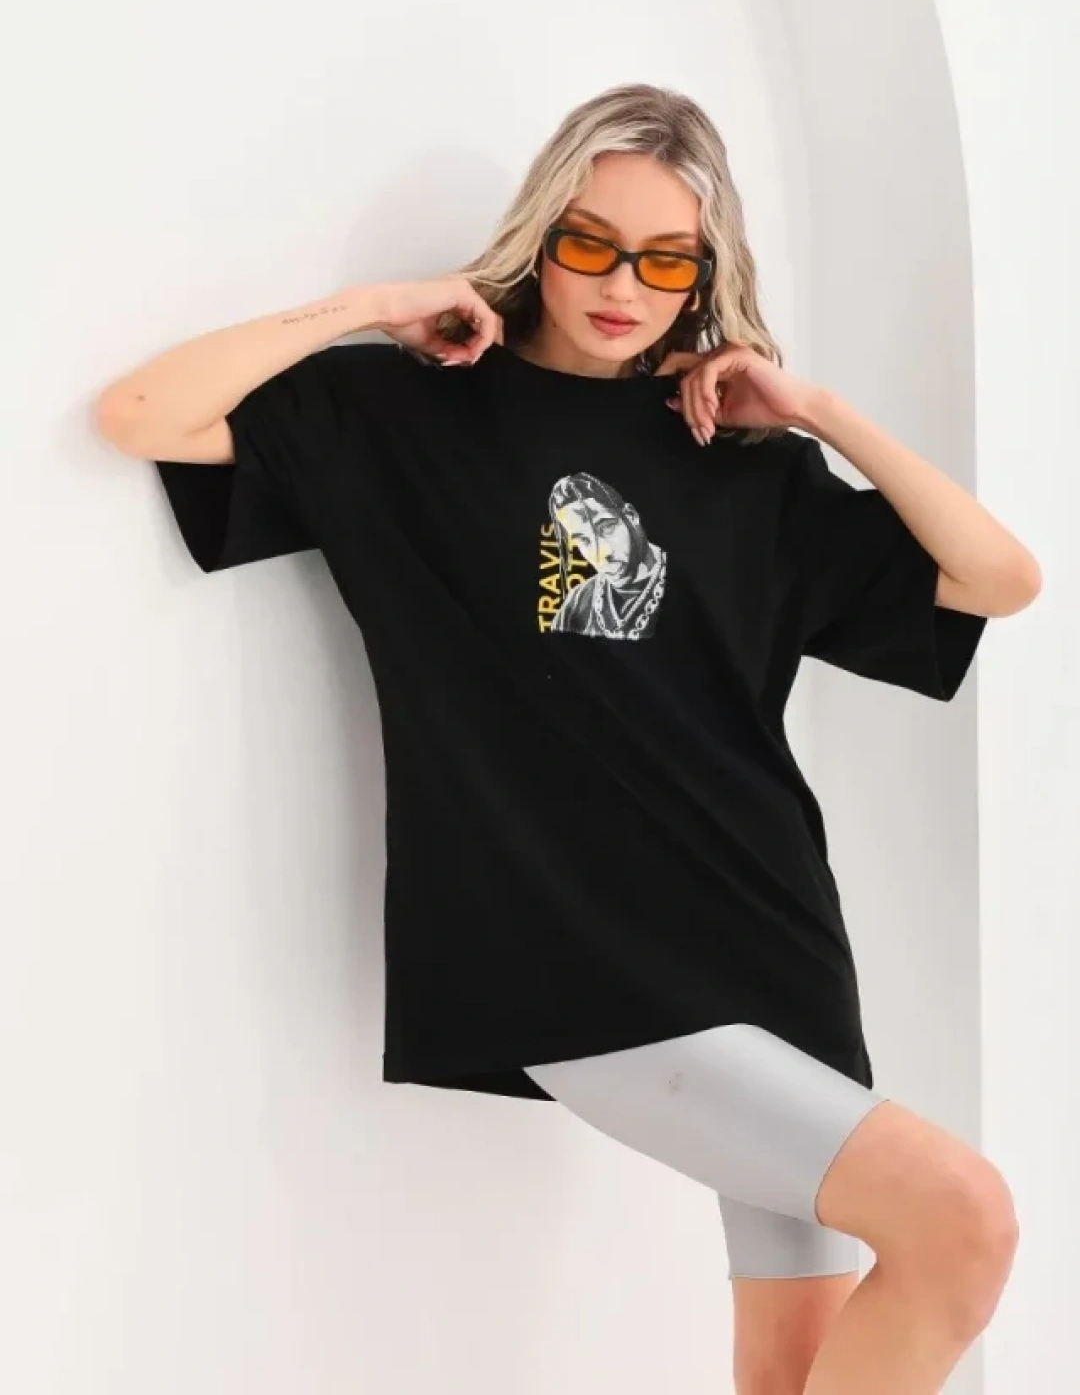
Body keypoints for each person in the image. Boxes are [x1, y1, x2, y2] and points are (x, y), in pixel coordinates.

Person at [95, 83, 1038, 1394]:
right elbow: (143, 413)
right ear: (541, 234)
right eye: (590, 243)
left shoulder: (743, 462)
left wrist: (817, 411)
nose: (622, 286)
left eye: (667, 261)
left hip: (772, 938)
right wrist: (375, 304)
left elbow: (999, 579)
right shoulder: (405, 416)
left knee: (795, 1368)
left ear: (705, 274)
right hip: (567, 951)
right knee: (964, 1218)